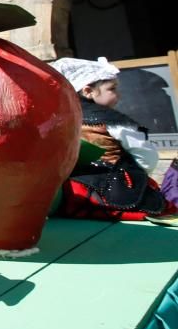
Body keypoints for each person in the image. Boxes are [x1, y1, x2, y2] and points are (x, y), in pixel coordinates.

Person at [50, 57, 172, 220]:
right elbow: (147, 157)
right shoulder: (112, 120)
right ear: (88, 91)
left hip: (72, 194)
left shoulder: (63, 117)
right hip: (115, 193)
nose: (119, 95)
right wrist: (140, 176)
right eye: (112, 89)